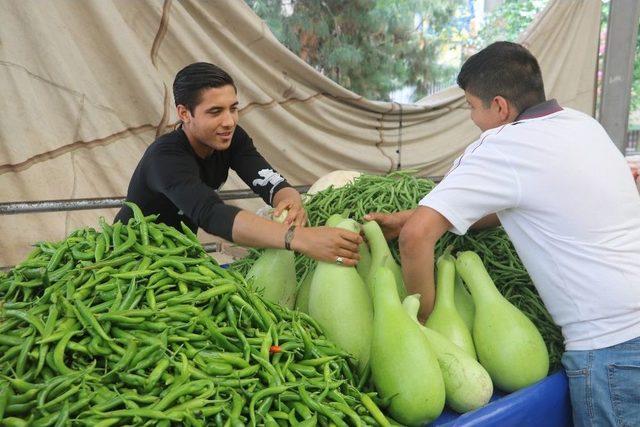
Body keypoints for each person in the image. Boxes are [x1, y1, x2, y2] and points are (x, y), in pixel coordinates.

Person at [366, 42, 640, 425]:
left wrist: (418, 321)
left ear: (499, 106)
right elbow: (522, 201)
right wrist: (422, 215)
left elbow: (415, 238)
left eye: (471, 107)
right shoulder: (582, 125)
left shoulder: (502, 145)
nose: (472, 118)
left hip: (609, 348)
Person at [115, 62, 361, 266]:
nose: (229, 121)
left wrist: (291, 201)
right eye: (215, 112)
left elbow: (268, 180)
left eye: (233, 108)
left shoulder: (231, 138)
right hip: (129, 260)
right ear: (184, 113)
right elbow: (212, 214)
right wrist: (300, 239)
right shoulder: (165, 158)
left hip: (175, 259)